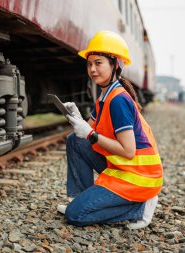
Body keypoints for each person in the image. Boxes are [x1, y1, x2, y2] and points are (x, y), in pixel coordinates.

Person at [58, 31, 163, 229]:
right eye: (89, 64)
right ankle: (82, 199)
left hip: (139, 176)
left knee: (75, 216)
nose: (92, 69)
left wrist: (89, 133)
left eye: (99, 63)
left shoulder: (118, 101)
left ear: (115, 64)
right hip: (124, 168)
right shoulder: (105, 97)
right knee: (74, 140)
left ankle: (140, 208)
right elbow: (84, 136)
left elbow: (128, 151)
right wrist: (77, 118)